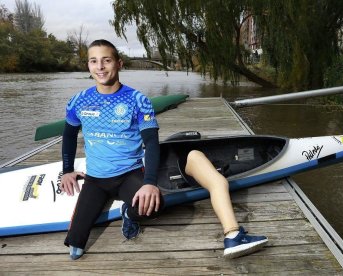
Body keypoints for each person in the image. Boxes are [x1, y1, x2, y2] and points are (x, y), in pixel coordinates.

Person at [60, 39, 268, 261]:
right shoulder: (78, 101)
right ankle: (86, 229)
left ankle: (128, 213)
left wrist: (149, 182)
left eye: (106, 60)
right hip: (95, 179)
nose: (100, 67)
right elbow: (69, 136)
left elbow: (151, 143)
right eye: (94, 61)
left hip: (128, 173)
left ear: (119, 64)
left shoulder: (138, 100)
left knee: (156, 205)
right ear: (88, 66)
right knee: (75, 248)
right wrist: (67, 169)